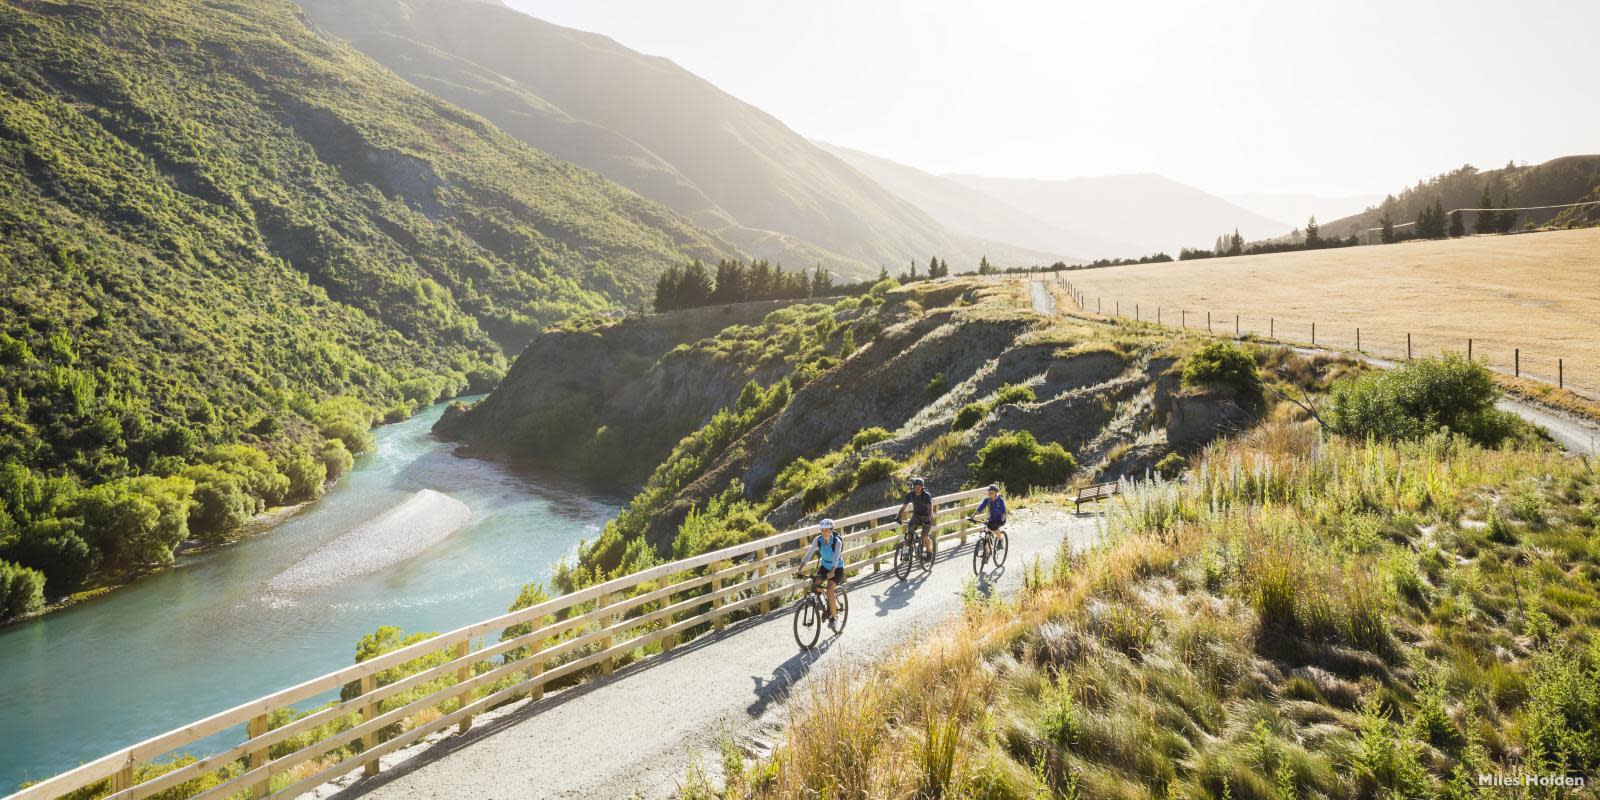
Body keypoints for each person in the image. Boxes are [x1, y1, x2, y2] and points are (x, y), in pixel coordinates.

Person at [793, 518, 845, 631]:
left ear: (832, 530)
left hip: (837, 568)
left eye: (827, 530)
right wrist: (799, 569)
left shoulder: (837, 542)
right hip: (824, 566)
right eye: (822, 530)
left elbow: (836, 557)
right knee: (815, 584)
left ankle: (834, 618)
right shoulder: (818, 540)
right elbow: (809, 554)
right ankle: (828, 603)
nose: (824, 532)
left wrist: (832, 571)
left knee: (830, 588)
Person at [896, 477, 935, 556]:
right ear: (913, 486)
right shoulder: (910, 495)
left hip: (927, 516)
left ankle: (930, 552)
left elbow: (930, 509)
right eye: (916, 486)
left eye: (919, 486)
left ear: (922, 487)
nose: (917, 488)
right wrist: (898, 517)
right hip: (917, 515)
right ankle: (910, 550)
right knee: (909, 533)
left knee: (924, 536)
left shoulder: (926, 495)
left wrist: (928, 519)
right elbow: (903, 507)